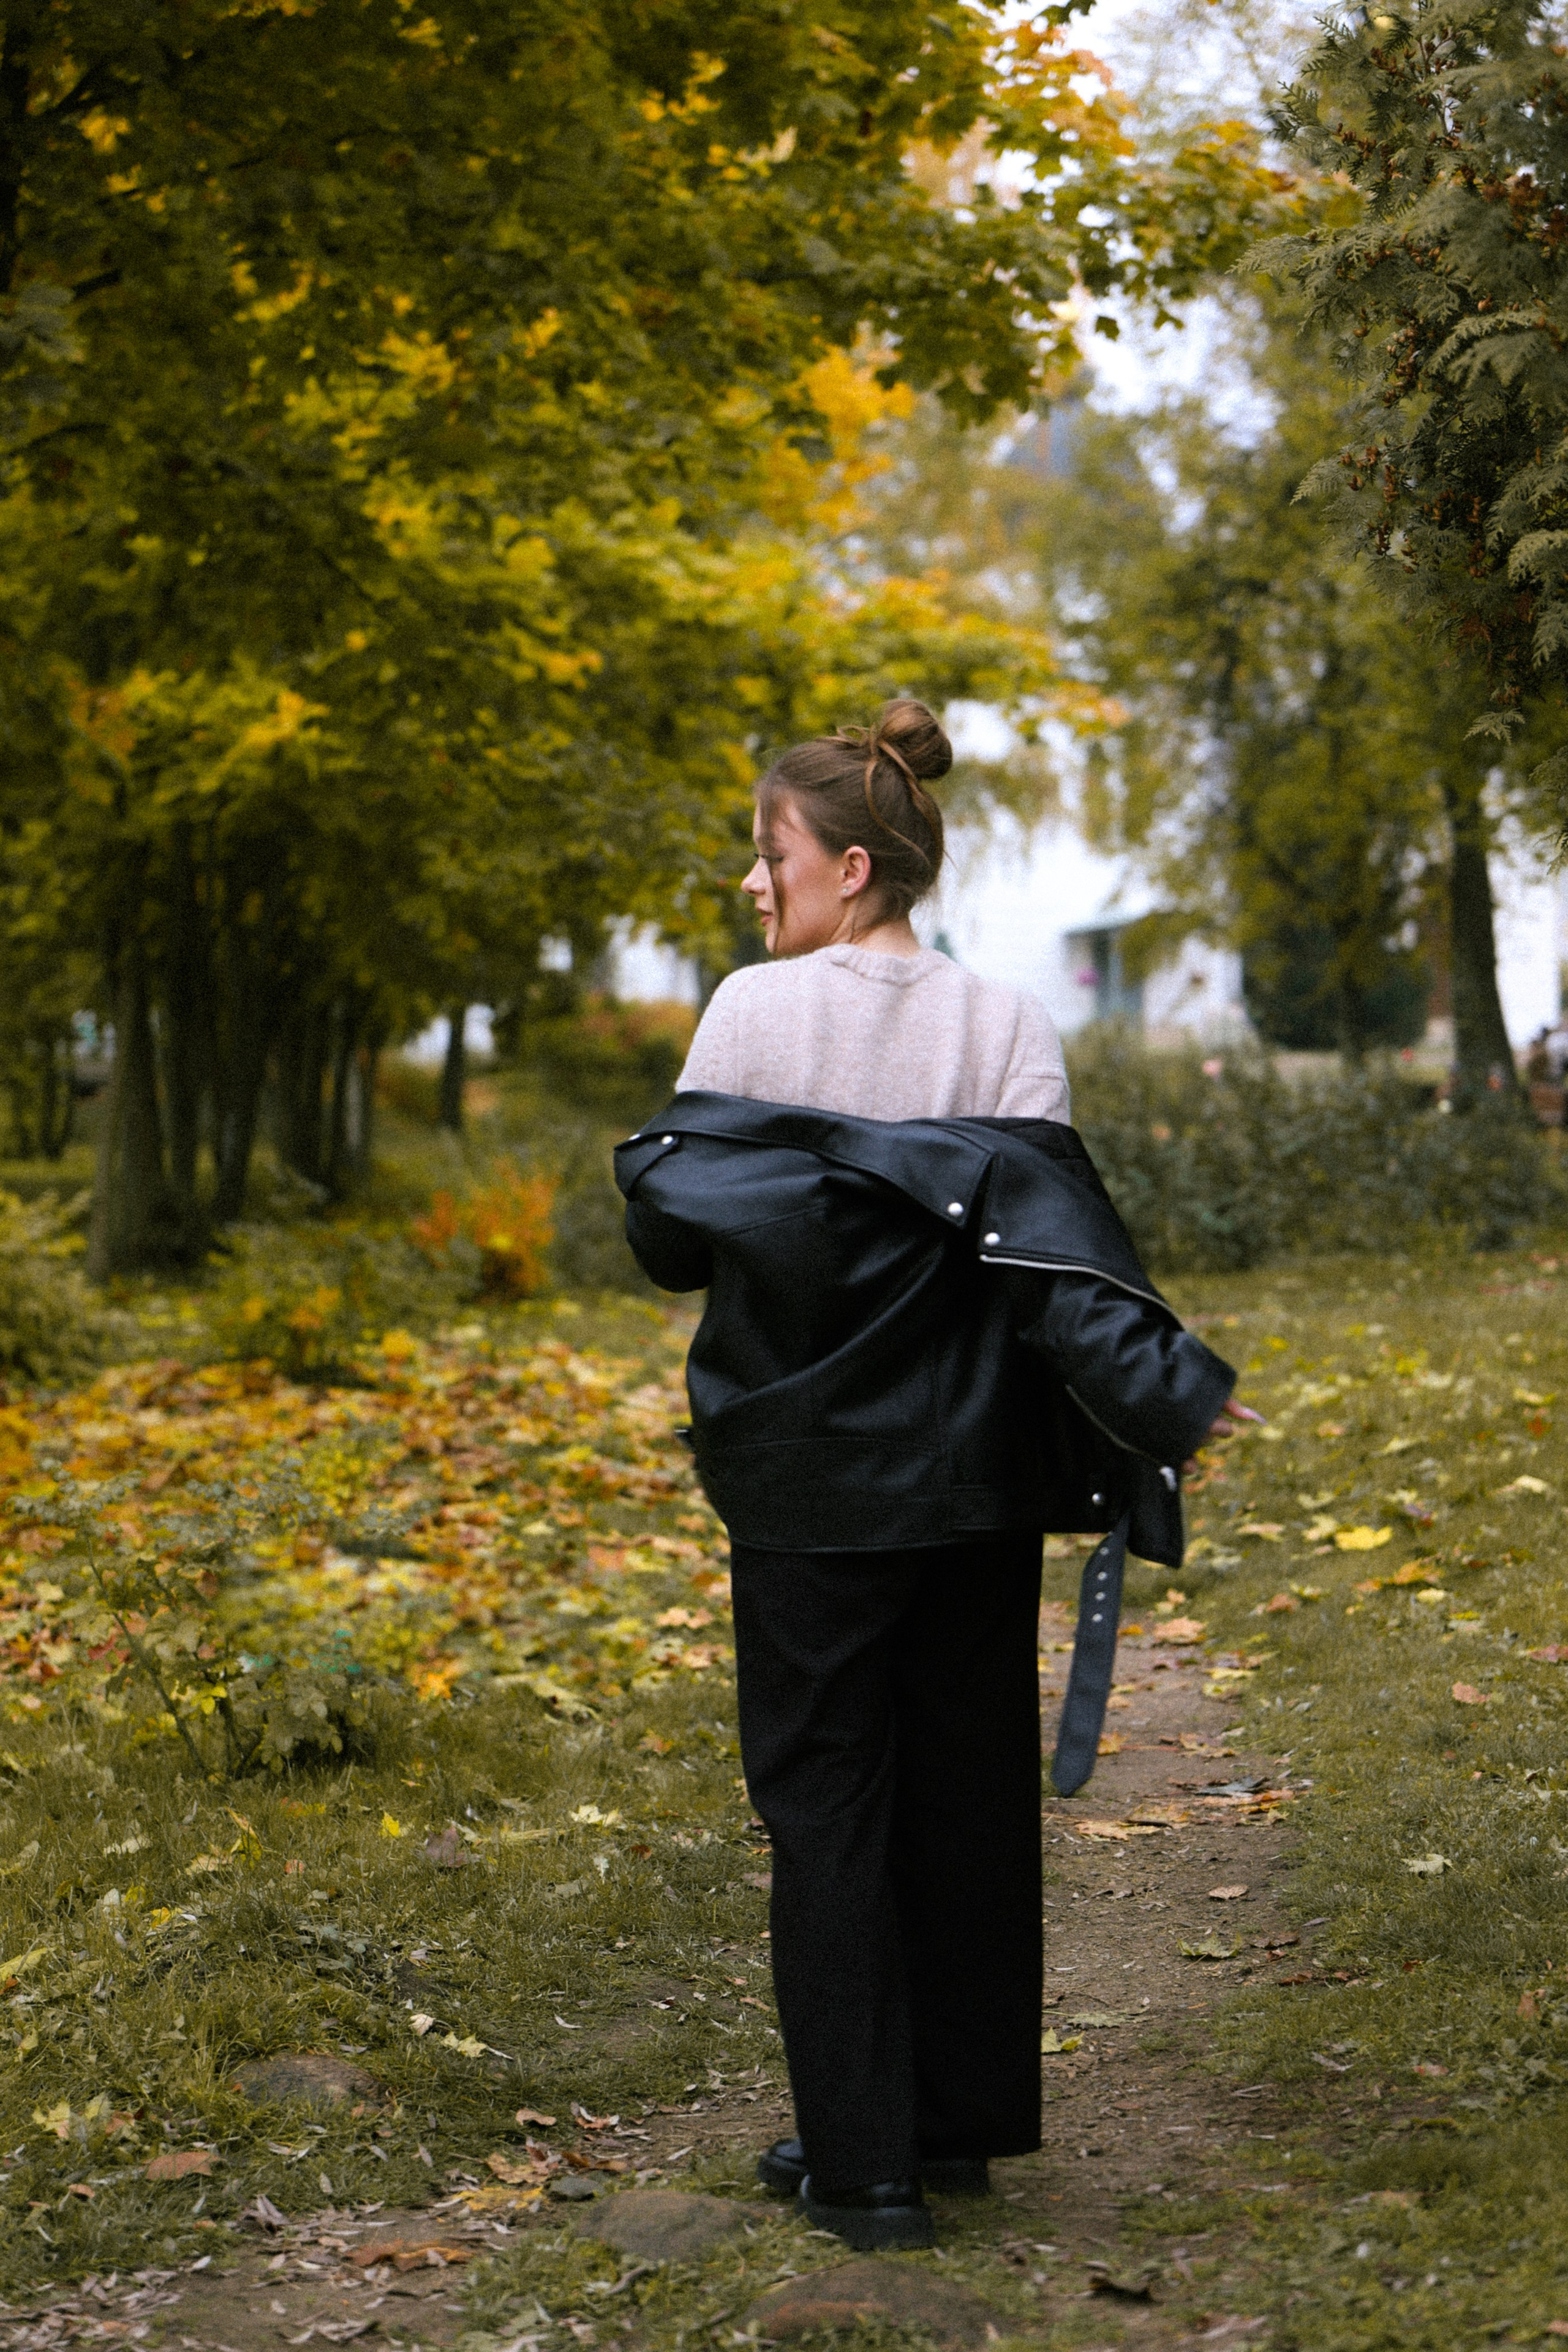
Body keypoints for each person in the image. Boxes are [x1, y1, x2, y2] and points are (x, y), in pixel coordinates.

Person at [614, 698, 1242, 2252]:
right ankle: (954, 2127)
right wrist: (1170, 1390)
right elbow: (1051, 1265)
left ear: (840, 863)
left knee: (828, 1797)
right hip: (968, 1470)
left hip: (808, 1477)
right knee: (962, 1790)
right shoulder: (1006, 1025)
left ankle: (865, 2165)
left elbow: (668, 1242)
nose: (754, 886)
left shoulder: (747, 1021)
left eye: (768, 857)